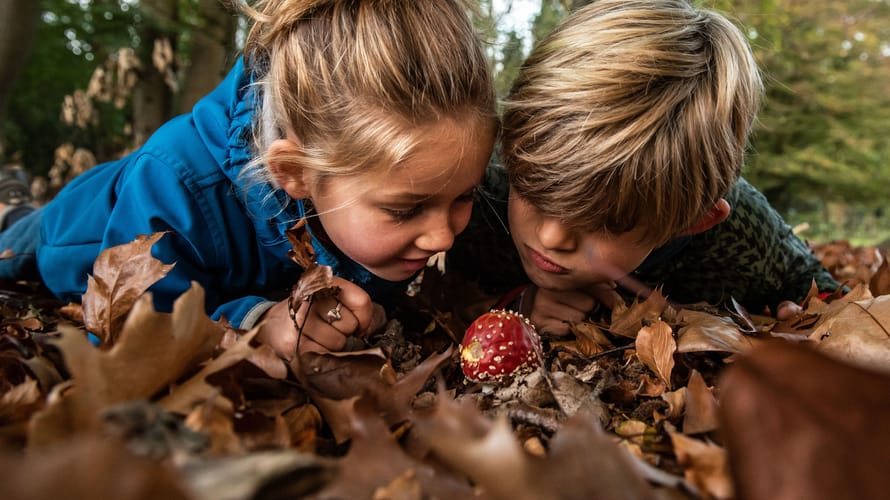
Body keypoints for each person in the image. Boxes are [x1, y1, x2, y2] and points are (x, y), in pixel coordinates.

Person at [0, 0, 497, 357]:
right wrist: (251, 324)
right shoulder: (174, 183)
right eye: (405, 209)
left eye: (464, 196)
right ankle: (14, 204)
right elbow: (126, 323)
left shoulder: (371, 187)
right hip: (79, 225)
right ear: (295, 173)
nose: (443, 235)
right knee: (18, 241)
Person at [452, 0, 840, 336]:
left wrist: (812, 320)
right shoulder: (485, 192)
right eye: (533, 190)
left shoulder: (744, 239)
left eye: (605, 221)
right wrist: (517, 305)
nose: (552, 237)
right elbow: (445, 293)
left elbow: (822, 292)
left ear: (693, 220)